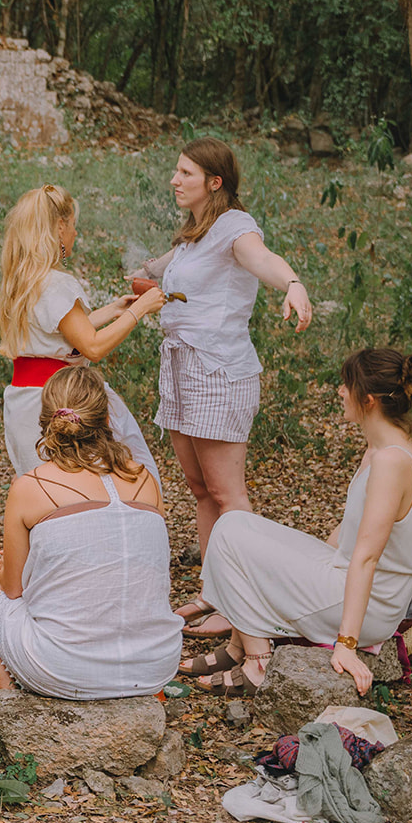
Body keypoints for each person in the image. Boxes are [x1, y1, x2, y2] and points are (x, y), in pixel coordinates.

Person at [134, 138, 314, 636]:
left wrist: (293, 284)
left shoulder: (236, 227)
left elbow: (261, 258)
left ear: (214, 182)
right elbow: (166, 266)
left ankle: (243, 610)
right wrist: (146, 275)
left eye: (185, 173)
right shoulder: (198, 232)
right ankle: (214, 593)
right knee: (200, 490)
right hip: (181, 373)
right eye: (176, 171)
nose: (175, 180)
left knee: (228, 495)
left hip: (217, 374)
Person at [188, 349, 412, 697]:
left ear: (368, 400)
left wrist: (346, 645)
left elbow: (366, 558)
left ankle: (257, 663)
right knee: (237, 522)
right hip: (345, 577)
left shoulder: (392, 462)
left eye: (346, 385)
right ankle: (238, 647)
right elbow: (350, 531)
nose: (339, 391)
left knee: (228, 534)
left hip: (371, 606)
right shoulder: (389, 447)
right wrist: (292, 565)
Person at [0, 367, 180, 700]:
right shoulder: (145, 480)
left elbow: (11, 587)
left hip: (66, 667)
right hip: (156, 665)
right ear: (108, 418)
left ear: (47, 420)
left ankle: (13, 704)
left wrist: (10, 569)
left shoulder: (31, 486)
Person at [0, 184, 164, 485]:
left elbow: (57, 337)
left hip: (24, 401)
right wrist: (138, 312)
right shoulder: (57, 283)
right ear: (59, 228)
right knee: (83, 485)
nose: (76, 234)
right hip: (59, 402)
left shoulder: (23, 280)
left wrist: (113, 310)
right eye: (73, 225)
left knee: (43, 488)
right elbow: (92, 346)